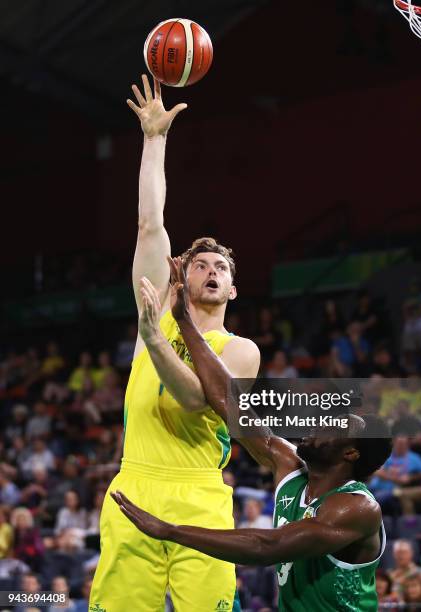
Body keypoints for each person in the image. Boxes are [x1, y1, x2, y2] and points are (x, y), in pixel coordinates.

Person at [111, 263, 392, 611]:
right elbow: (229, 403)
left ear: (350, 454)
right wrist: (184, 321)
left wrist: (170, 531)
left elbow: (266, 546)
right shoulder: (288, 463)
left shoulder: (357, 507)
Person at [90, 75, 260, 612]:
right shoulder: (157, 309)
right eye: (201, 264)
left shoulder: (240, 349)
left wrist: (151, 341)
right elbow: (149, 226)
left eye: (221, 268)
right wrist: (154, 139)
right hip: (133, 483)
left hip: (200, 495)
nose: (211, 271)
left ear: (232, 288)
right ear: (179, 279)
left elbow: (194, 398)